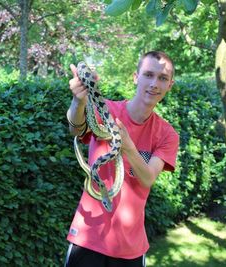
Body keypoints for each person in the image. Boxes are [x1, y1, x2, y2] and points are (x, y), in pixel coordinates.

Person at [64, 51, 179, 267]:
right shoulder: (105, 109)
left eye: (162, 78)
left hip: (131, 248)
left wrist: (127, 146)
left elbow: (147, 179)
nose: (154, 83)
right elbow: (75, 128)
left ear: (169, 85)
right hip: (88, 237)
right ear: (136, 77)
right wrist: (78, 101)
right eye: (148, 75)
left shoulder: (167, 134)